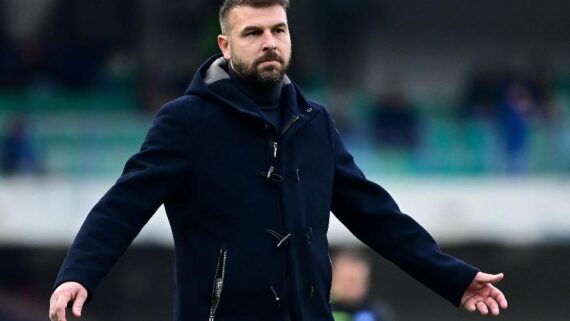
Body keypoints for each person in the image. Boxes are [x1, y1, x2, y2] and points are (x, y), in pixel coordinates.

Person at [49, 1, 508, 321]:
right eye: (253, 32)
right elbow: (123, 204)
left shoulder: (314, 122)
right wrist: (78, 273)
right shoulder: (185, 122)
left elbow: (377, 217)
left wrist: (455, 278)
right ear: (225, 46)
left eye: (278, 30)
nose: (269, 41)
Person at [330, 248, 392, 321]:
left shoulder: (378, 312)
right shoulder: (320, 309)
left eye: (355, 281)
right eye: (346, 280)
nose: (350, 287)